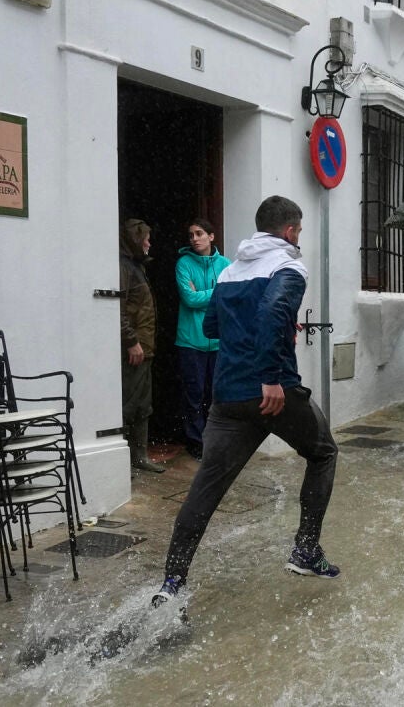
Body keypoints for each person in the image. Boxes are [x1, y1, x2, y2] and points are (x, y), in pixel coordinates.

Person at [152, 195, 339, 607]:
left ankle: (171, 584)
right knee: (324, 452)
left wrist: (261, 329)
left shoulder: (231, 270)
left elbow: (212, 324)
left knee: (206, 488)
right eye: (300, 231)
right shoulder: (289, 266)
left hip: (228, 396)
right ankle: (306, 550)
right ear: (290, 231)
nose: (300, 237)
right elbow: (273, 311)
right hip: (274, 392)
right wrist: (271, 376)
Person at [175, 219, 231, 460]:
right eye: (191, 235)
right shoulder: (184, 263)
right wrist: (217, 292)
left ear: (211, 236)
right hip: (191, 341)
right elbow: (189, 299)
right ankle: (196, 442)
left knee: (217, 394)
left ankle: (215, 441)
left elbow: (229, 297)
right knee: (194, 394)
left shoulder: (226, 264)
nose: (194, 239)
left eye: (199, 234)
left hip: (219, 341)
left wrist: (205, 294)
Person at [119, 218, 164, 473]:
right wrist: (131, 340)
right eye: (145, 238)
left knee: (143, 404)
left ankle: (139, 457)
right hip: (134, 349)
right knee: (129, 405)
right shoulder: (124, 268)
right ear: (135, 240)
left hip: (144, 348)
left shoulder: (136, 267)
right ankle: (125, 462)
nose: (149, 243)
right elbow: (119, 308)